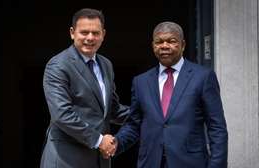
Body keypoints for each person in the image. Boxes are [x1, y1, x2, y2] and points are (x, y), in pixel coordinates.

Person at [106, 21, 228, 168]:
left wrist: (217, 165)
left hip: (190, 163)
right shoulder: (141, 82)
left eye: (171, 41)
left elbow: (217, 127)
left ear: (183, 45)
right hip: (150, 162)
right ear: (153, 46)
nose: (164, 46)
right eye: (159, 42)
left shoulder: (203, 77)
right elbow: (134, 124)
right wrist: (116, 142)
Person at [40, 8, 128, 168]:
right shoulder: (58, 65)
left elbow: (112, 110)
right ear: (72, 33)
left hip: (99, 160)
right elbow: (62, 114)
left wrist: (148, 114)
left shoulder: (106, 65)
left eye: (95, 33)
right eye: (84, 32)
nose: (90, 38)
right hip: (66, 159)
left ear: (103, 35)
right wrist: (100, 141)